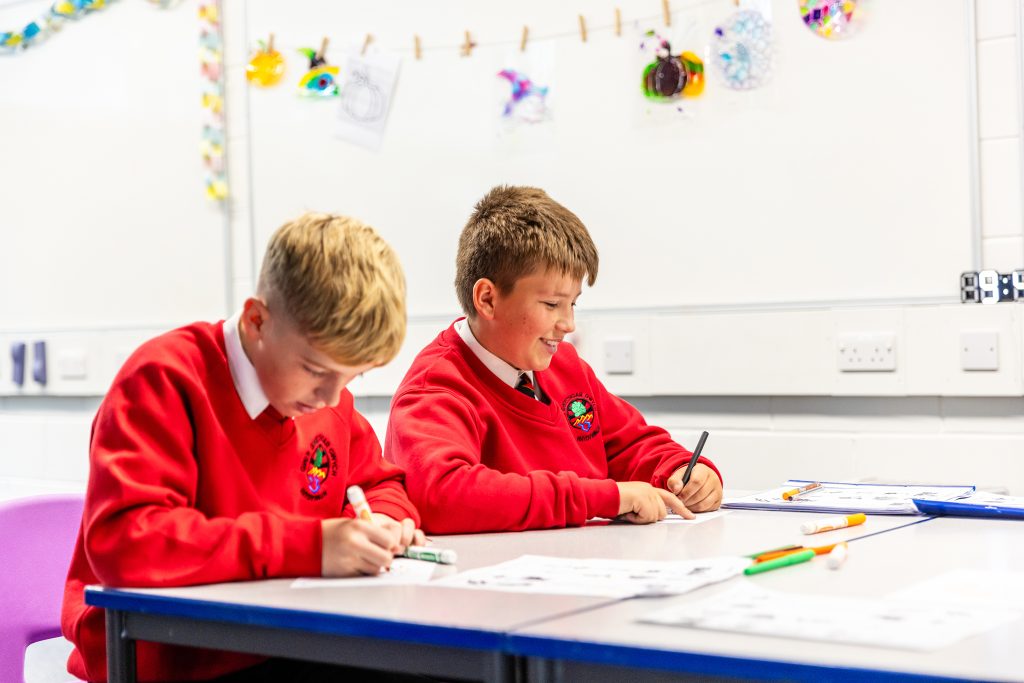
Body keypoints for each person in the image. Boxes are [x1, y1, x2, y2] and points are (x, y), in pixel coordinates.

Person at [62, 212, 424, 681]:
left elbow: (379, 483)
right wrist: (312, 548)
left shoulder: (318, 396)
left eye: (353, 376)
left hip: (290, 641)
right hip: (172, 659)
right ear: (256, 321)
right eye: (316, 370)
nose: (333, 397)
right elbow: (128, 543)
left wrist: (388, 524)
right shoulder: (165, 380)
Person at [385, 185, 723, 534]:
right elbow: (443, 496)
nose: (568, 324)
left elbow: (630, 444)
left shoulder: (563, 366)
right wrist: (602, 497)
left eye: (572, 304)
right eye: (551, 305)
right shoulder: (436, 386)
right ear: (487, 299)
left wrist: (681, 469)